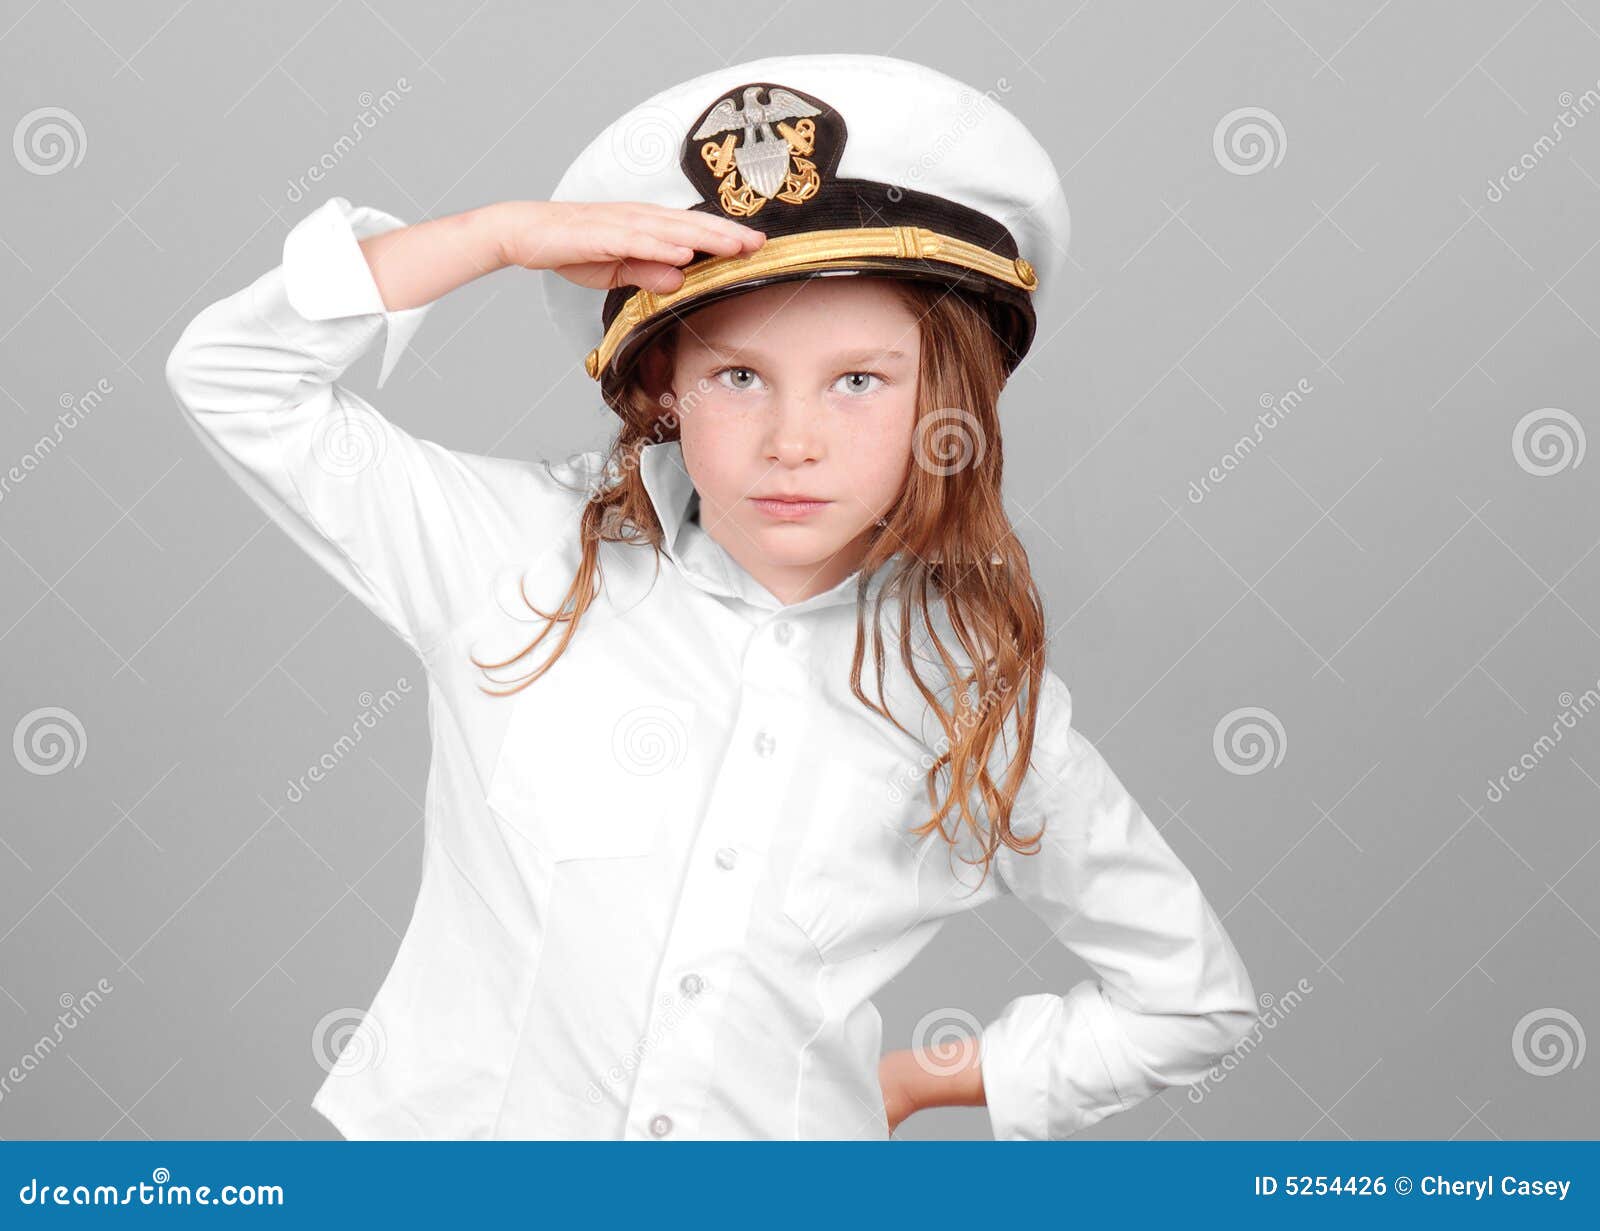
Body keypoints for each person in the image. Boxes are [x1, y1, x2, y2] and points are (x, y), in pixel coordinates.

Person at [164, 52, 1257, 1141]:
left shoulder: (974, 694)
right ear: (663, 390)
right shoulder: (511, 554)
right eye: (739, 376)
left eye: (859, 380)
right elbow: (232, 377)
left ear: (947, 397)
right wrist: (498, 236)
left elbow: (1190, 1000)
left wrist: (910, 1083)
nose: (793, 441)